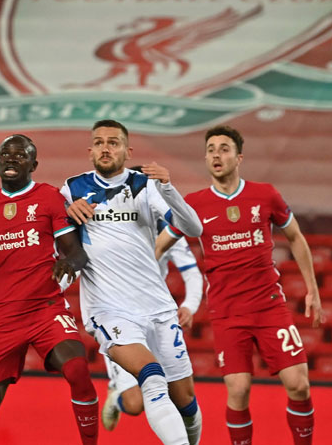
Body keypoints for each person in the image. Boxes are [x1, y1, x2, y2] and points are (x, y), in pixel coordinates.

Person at [159, 125, 324, 445]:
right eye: (210, 149)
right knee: (238, 390)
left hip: (269, 307)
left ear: (239, 157)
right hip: (227, 312)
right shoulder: (193, 204)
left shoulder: (265, 195)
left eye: (223, 148)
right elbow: (160, 244)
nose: (216, 155)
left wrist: (312, 290)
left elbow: (296, 237)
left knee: (299, 384)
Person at [0, 134, 99, 445]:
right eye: (5, 155)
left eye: (20, 155)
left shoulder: (49, 198)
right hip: (2, 318)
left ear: (33, 164)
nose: (11, 159)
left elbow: (77, 253)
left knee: (78, 368)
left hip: (45, 308)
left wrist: (69, 265)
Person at [61, 120, 204, 445]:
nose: (106, 148)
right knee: (151, 380)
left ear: (128, 151)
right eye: (99, 142)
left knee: (186, 402)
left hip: (158, 308)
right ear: (90, 150)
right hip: (109, 310)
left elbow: (193, 229)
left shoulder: (145, 185)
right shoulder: (71, 189)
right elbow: (60, 248)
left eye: (113, 142)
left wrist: (169, 188)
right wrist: (68, 212)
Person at [101, 215, 204, 432]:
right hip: (118, 317)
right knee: (134, 404)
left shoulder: (167, 227)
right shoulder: (110, 222)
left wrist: (189, 305)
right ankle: (117, 395)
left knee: (181, 397)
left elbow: (192, 273)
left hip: (157, 317)